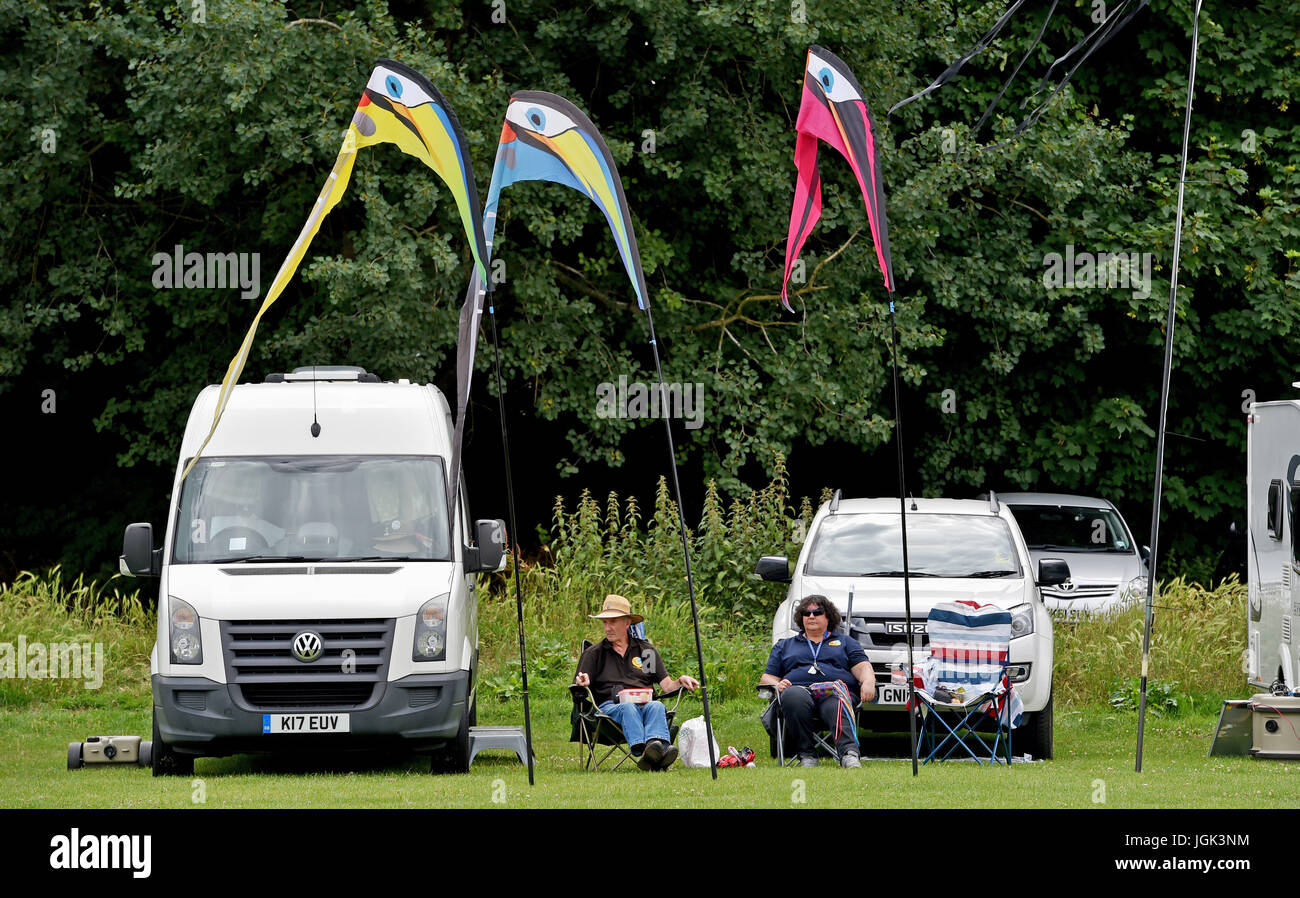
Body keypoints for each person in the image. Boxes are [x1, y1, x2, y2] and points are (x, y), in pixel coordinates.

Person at [574, 594, 700, 770]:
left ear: (627, 623)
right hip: (611, 709)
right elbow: (579, 684)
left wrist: (681, 680)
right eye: (605, 622)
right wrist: (583, 682)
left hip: (645, 704)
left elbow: (667, 686)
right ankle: (647, 752)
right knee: (628, 707)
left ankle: (657, 749)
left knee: (656, 706)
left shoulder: (645, 651)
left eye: (613, 622)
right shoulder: (594, 654)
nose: (608, 628)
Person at [760, 594, 875, 768]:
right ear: (801, 618)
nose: (811, 616)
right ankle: (807, 755)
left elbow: (862, 667)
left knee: (836, 701)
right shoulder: (785, 645)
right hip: (799, 691)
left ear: (828, 616)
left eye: (817, 612)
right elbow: (767, 677)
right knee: (792, 695)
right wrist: (778, 685)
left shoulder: (845, 642)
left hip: (833, 691)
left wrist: (868, 681)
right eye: (807, 613)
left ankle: (849, 754)